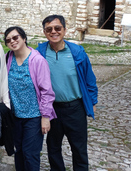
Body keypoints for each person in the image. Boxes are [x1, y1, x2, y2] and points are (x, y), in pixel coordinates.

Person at [36, 15, 98, 171]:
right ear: (44, 32)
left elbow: (89, 79)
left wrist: (93, 101)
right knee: (53, 147)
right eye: (49, 29)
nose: (54, 32)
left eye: (58, 28)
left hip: (75, 108)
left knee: (79, 148)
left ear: (64, 30)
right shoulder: (40, 53)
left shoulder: (77, 52)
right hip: (52, 109)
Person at [4, 26, 56, 171]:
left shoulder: (37, 60)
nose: (12, 42)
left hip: (34, 116)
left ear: (24, 38)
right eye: (8, 40)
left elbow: (47, 91)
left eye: (15, 38)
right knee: (18, 151)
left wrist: (45, 117)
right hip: (15, 116)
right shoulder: (8, 58)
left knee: (30, 153)